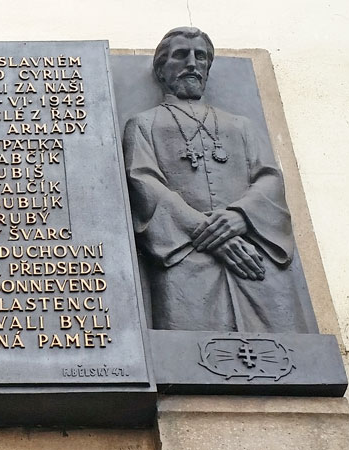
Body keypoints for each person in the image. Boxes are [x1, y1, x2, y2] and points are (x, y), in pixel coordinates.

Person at [122, 27, 309, 332]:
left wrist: (240, 216)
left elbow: (269, 179)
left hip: (252, 251)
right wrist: (203, 231)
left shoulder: (241, 126)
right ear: (161, 68)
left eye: (201, 57)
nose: (193, 64)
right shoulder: (144, 124)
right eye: (181, 55)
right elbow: (144, 182)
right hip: (184, 256)